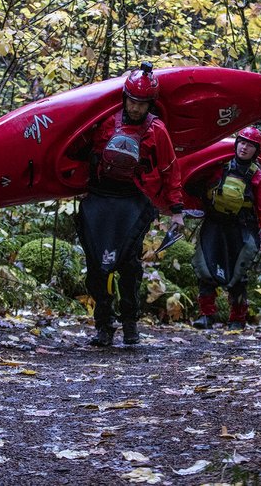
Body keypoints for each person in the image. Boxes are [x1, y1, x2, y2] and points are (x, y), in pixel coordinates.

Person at [74, 62, 185, 347]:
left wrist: (176, 211)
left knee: (128, 265)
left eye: (142, 104)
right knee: (97, 265)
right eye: (132, 102)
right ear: (124, 98)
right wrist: (75, 188)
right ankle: (103, 325)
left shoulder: (157, 130)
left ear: (150, 104)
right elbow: (80, 153)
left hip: (133, 202)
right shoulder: (106, 121)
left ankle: (130, 324)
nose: (136, 109)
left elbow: (170, 170)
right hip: (99, 198)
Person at [189, 126, 261, 330]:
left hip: (241, 228)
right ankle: (206, 315)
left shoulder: (258, 177)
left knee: (239, 275)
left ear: (256, 151)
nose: (244, 148)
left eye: (250, 145)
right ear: (236, 144)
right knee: (205, 268)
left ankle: (237, 318)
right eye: (242, 143)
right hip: (214, 224)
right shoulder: (218, 167)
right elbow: (199, 187)